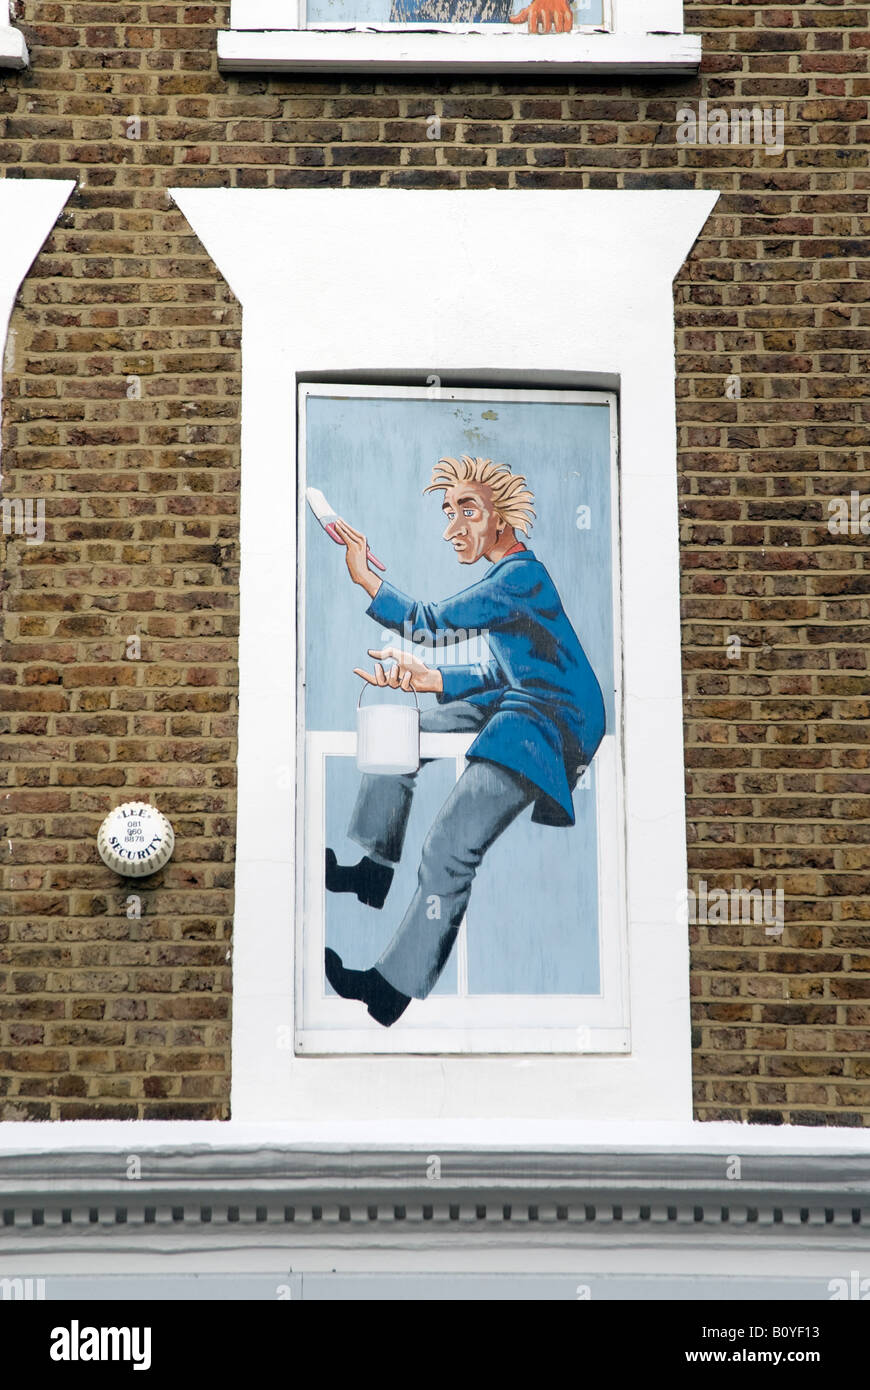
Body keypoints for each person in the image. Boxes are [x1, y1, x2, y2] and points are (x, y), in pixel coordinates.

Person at [324, 455, 606, 1026]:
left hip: (552, 721)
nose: (453, 528)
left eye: (467, 511)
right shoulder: (510, 580)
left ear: (502, 518)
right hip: (526, 697)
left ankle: (389, 988)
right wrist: (434, 681)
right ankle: (374, 869)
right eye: (449, 512)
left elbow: (429, 621)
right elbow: (516, 667)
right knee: (402, 731)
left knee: (449, 848)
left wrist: (366, 578)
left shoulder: (520, 577)